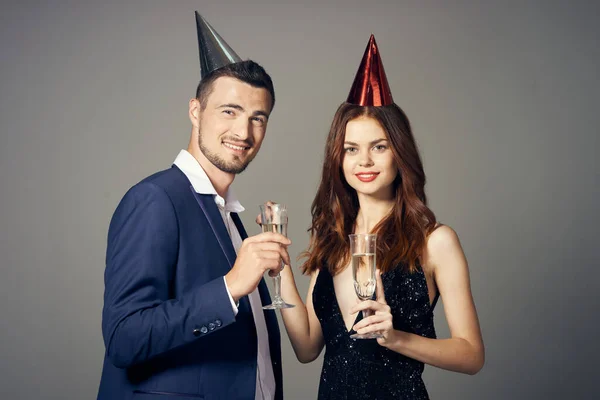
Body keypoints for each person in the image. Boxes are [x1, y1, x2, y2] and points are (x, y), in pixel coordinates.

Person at [274, 35, 485, 399]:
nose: (365, 162)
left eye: (379, 147)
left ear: (399, 152)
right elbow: (307, 347)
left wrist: (396, 338)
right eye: (351, 149)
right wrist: (279, 273)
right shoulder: (332, 236)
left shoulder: (435, 241)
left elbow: (471, 354)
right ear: (338, 160)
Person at [97, 12, 288, 400]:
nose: (243, 132)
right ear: (196, 111)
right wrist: (230, 287)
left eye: (258, 118)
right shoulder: (154, 200)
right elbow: (124, 337)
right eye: (229, 112)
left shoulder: (232, 216)